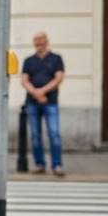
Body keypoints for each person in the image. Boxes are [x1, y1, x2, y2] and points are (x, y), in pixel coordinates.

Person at [21, 32, 65, 176]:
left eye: (42, 41)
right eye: (36, 41)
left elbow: (58, 78)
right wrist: (35, 92)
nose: (39, 44)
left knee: (54, 133)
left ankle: (57, 165)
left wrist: (43, 91)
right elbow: (24, 80)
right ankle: (39, 164)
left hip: (50, 101)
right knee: (35, 134)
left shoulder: (56, 59)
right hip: (32, 102)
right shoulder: (29, 60)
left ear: (47, 41)